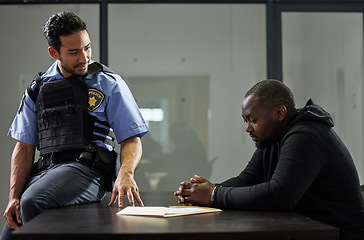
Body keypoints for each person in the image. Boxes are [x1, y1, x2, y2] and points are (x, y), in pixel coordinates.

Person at [1, 11, 149, 240]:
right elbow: (24, 146)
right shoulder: (37, 89)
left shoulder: (108, 83)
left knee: (33, 202)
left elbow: (131, 138)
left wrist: (126, 173)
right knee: (11, 227)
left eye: (87, 48)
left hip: (88, 170)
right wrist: (13, 197)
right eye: (73, 52)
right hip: (46, 171)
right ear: (54, 52)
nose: (84, 57)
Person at [174, 79, 364, 240]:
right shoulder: (273, 138)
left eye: (253, 120)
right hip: (310, 228)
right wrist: (203, 192)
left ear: (280, 113)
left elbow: (279, 196)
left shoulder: (305, 135)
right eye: (245, 121)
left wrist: (214, 194)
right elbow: (246, 179)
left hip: (339, 233)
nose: (248, 128)